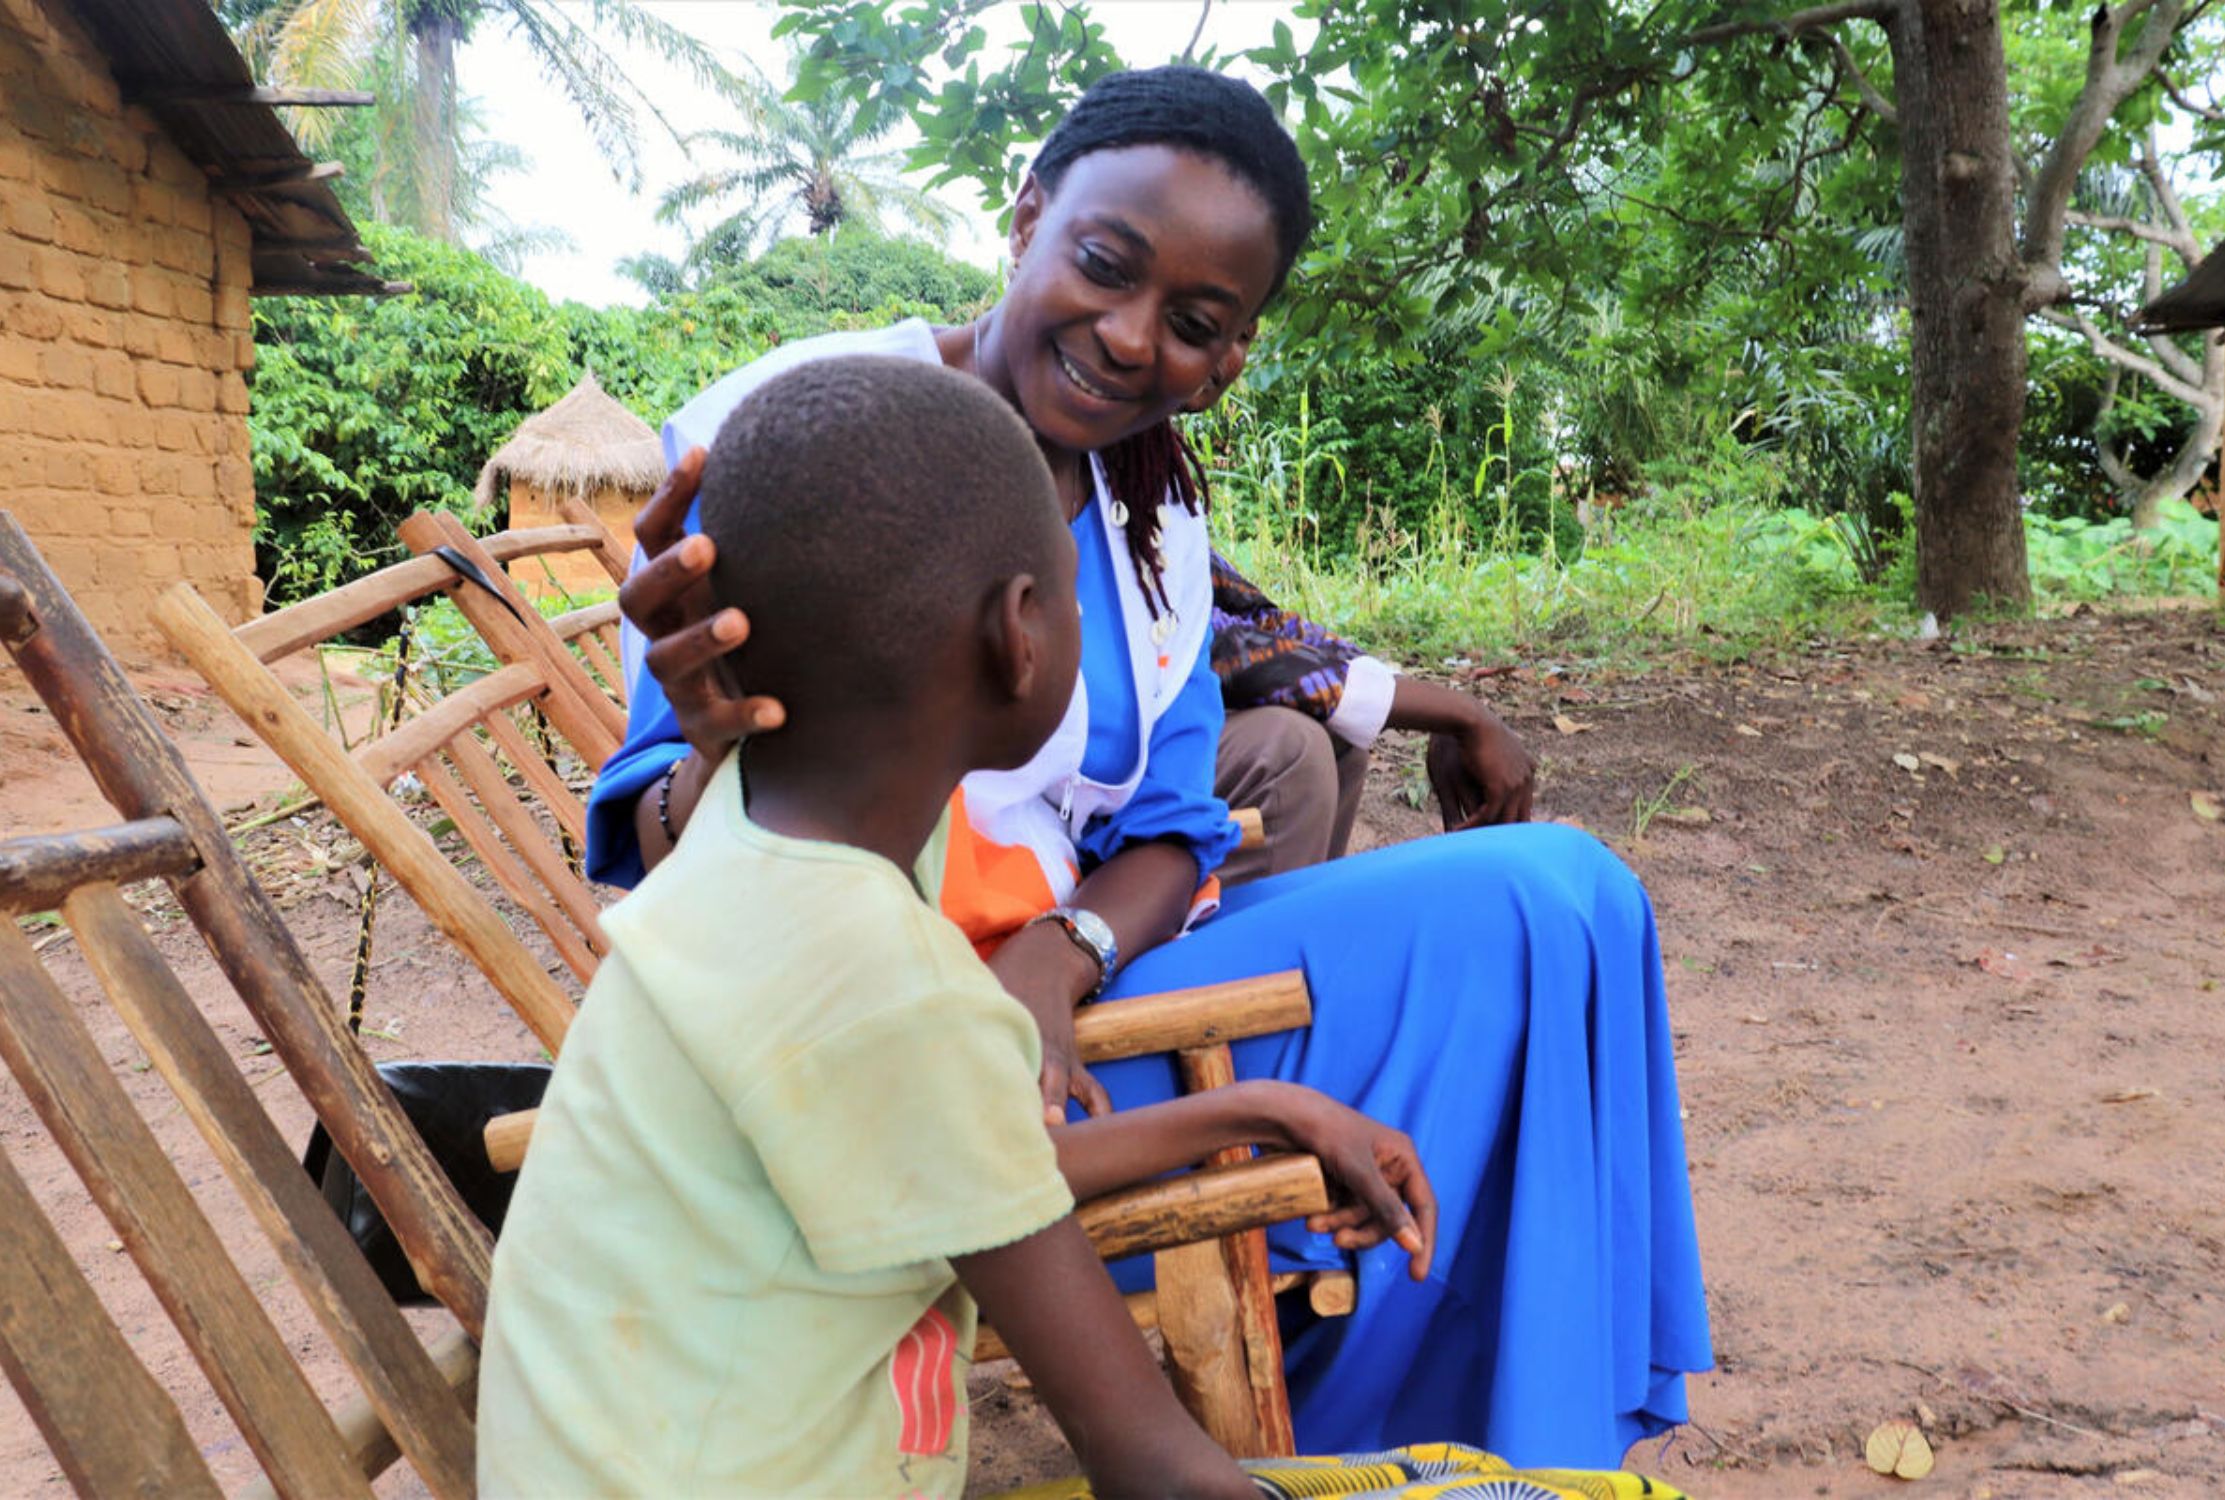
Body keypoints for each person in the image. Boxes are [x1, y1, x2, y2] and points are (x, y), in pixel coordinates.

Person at [587, 65, 1711, 1468]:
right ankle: (1434, 1431)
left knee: (1568, 892)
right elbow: (659, 848)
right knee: (1519, 922)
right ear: (1029, 214)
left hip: (1059, 1002)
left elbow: (1177, 832)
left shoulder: (1150, 522)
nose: (1129, 341)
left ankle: (1459, 1423)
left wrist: (1053, 959)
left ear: (1230, 356)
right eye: (1105, 268)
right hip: (878, 1052)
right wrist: (714, 752)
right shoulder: (811, 426)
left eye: (1193, 323)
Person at [476, 355, 1437, 1499]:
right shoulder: (888, 985)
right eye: (1075, 595)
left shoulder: (761, 834)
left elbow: (975, 1170)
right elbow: (1156, 1471)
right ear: (1020, 633)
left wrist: (1258, 1108)